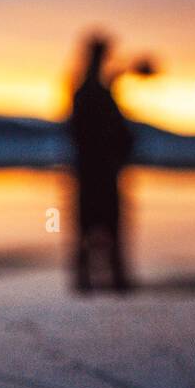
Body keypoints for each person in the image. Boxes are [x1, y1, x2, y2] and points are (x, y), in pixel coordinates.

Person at [69, 34, 141, 291]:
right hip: (97, 174)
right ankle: (105, 286)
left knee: (96, 234)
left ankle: (97, 285)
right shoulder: (90, 93)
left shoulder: (88, 90)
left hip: (94, 173)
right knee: (101, 233)